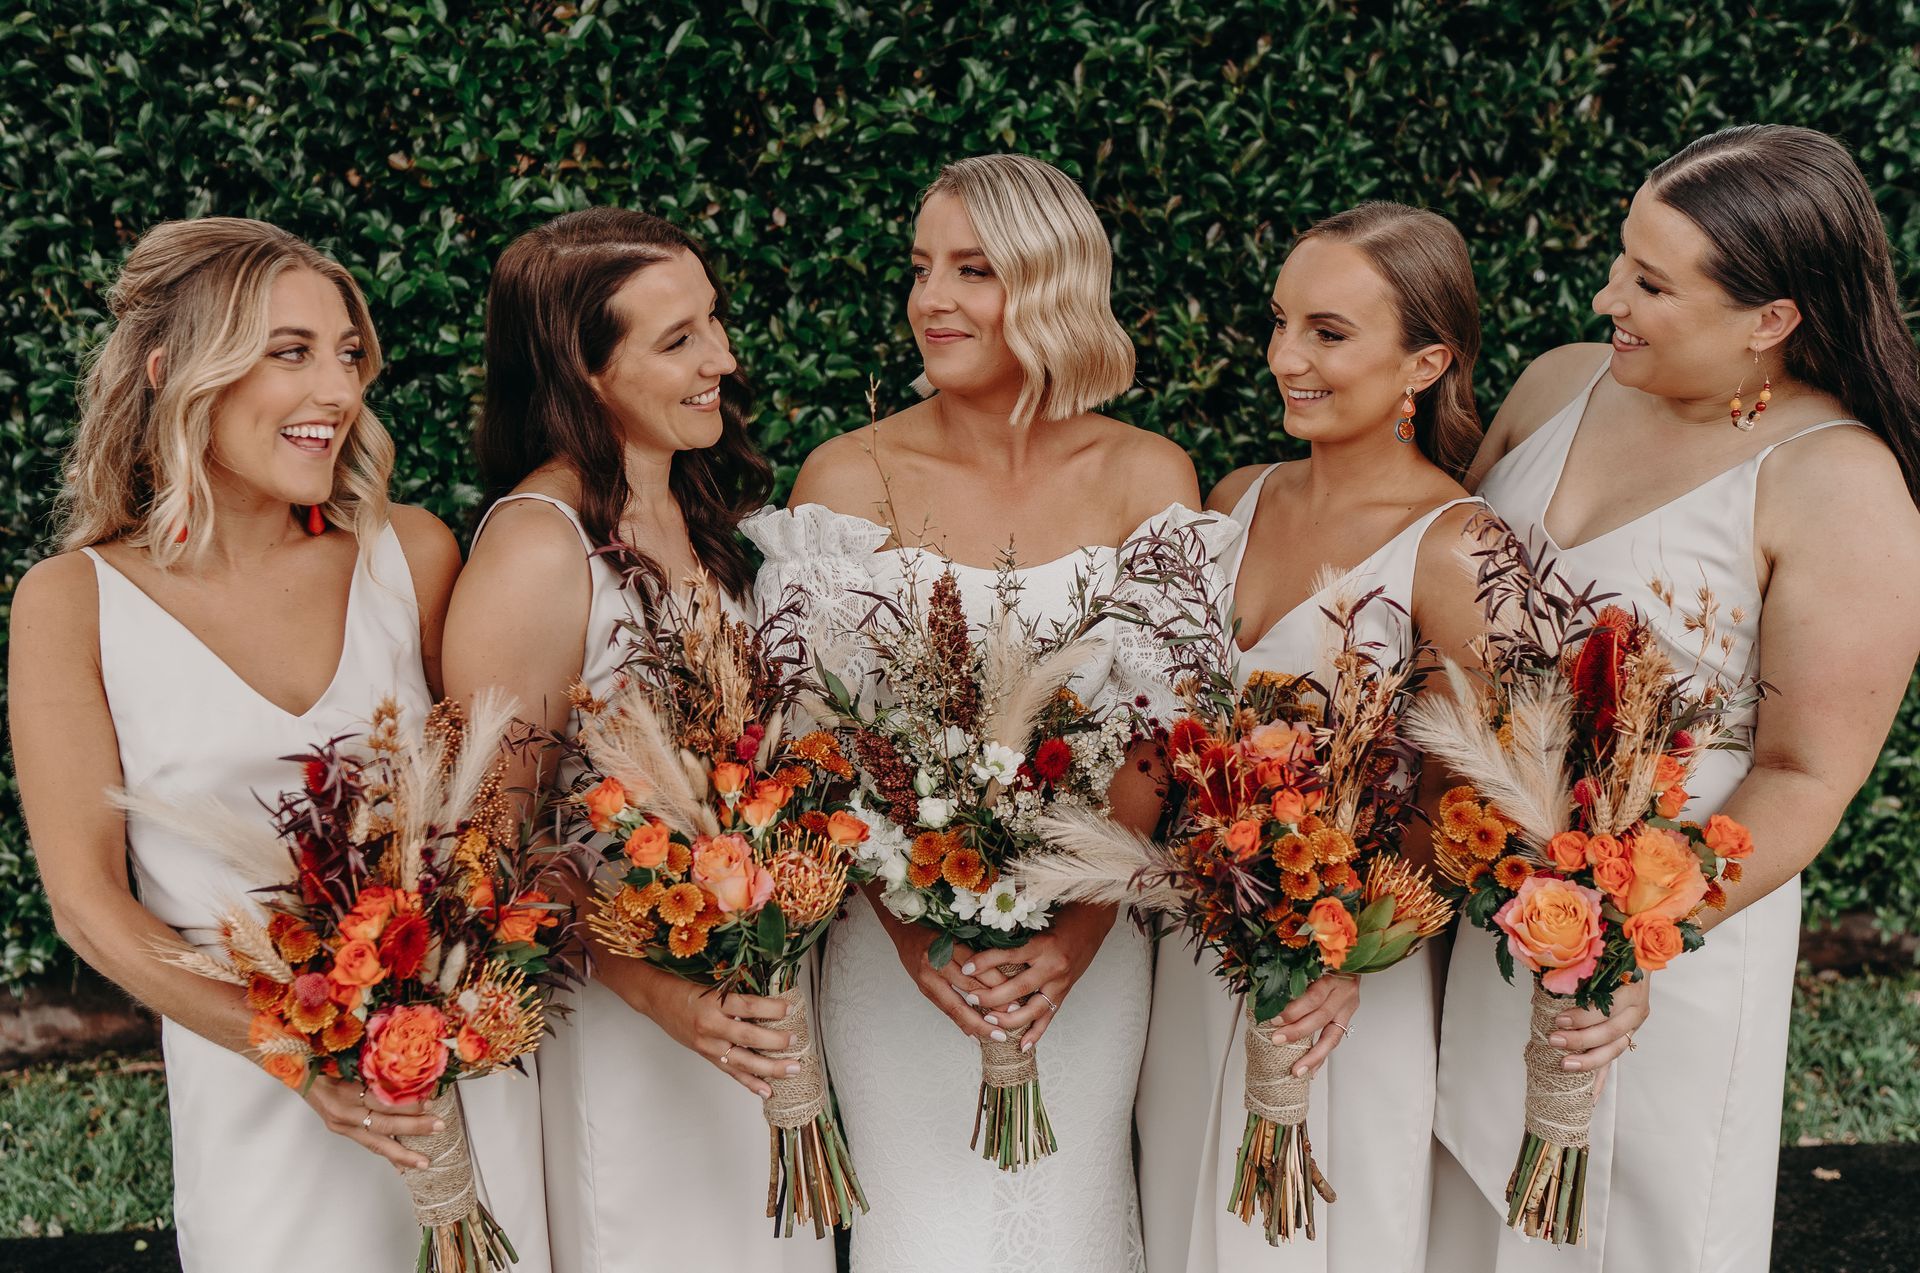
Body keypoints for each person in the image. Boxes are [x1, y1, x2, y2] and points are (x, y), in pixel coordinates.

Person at [8, 217, 549, 1271]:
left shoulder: (411, 556)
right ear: (172, 371)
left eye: (347, 354)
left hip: (454, 1082)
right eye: (289, 353)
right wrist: (299, 1050)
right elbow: (85, 903)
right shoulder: (74, 603)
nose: (338, 391)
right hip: (256, 1100)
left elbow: (492, 820)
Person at [1429, 124, 1920, 1273]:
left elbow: (1806, 773)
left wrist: (1632, 939)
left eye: (1652, 284)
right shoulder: (1559, 383)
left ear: (1770, 318)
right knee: (1464, 1216)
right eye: (1622, 258)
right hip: (1493, 903)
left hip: (1666, 946)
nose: (1610, 296)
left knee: (1629, 1231)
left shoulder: (1840, 484)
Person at [745, 153, 1202, 1272]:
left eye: (973, 270)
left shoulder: (1148, 474)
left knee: (1074, 1220)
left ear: (1051, 284)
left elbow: (1161, 731)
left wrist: (1075, 936)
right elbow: (818, 743)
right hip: (895, 956)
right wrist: (916, 935)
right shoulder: (845, 477)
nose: (932, 300)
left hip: (1088, 947)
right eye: (920, 268)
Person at [440, 207, 828, 1272]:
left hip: (750, 1001)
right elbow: (494, 844)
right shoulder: (538, 548)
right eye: (678, 340)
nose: (723, 360)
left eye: (713, 321)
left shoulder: (698, 513)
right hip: (630, 1027)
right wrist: (667, 995)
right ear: (584, 370)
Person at [1137, 202, 1492, 1273]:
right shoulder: (1235, 499)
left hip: (1343, 982)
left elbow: (1466, 798)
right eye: (1281, 322)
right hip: (1196, 955)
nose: (1286, 357)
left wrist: (1351, 947)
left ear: (1426, 361)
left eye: (1328, 333)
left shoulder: (1458, 546)